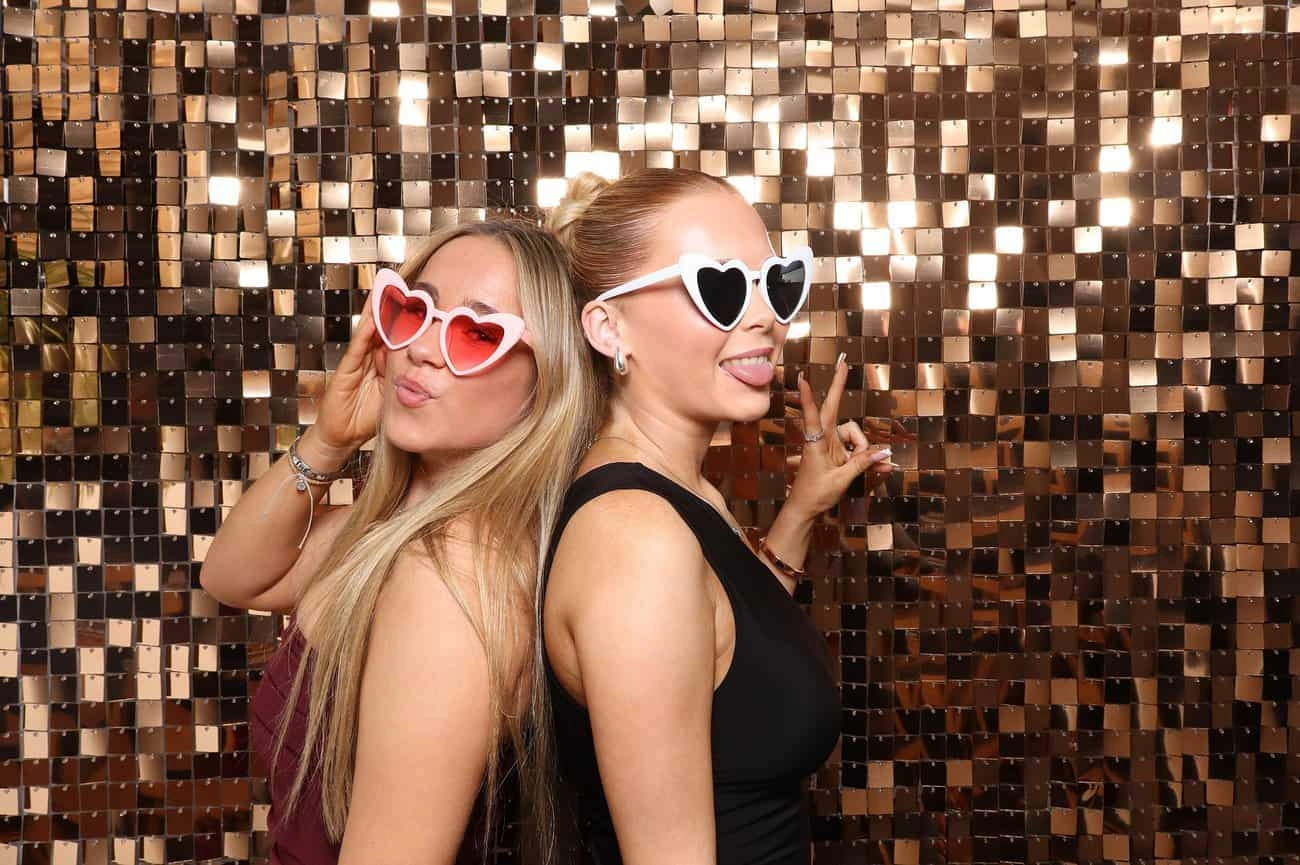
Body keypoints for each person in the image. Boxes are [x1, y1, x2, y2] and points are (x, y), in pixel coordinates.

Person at [200, 219, 600, 864]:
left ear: (545, 386)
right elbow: (232, 577)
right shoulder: (389, 527)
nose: (422, 347)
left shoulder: (452, 581)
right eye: (413, 310)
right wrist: (329, 441)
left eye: (476, 333)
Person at [538, 169, 897, 865]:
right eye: (723, 287)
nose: (765, 316)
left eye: (777, 283)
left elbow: (726, 656)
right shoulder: (633, 538)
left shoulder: (685, 494)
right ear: (609, 326)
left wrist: (798, 513)